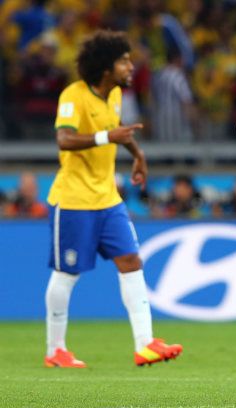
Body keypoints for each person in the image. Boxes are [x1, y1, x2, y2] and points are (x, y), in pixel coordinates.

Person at [44, 30, 182, 368]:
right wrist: (109, 136)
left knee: (131, 261)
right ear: (106, 67)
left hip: (107, 198)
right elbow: (64, 139)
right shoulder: (74, 95)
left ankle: (145, 344)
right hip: (74, 200)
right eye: (124, 61)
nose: (131, 66)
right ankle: (55, 350)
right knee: (66, 274)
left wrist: (137, 153)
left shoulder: (116, 94)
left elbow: (117, 127)